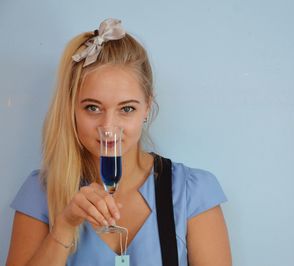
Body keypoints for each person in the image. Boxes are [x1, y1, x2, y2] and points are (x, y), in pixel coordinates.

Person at [6, 18, 231, 266]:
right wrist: (63, 228)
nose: (108, 127)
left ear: (147, 106)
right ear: (71, 109)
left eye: (126, 109)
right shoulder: (40, 192)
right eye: (92, 107)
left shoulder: (191, 193)